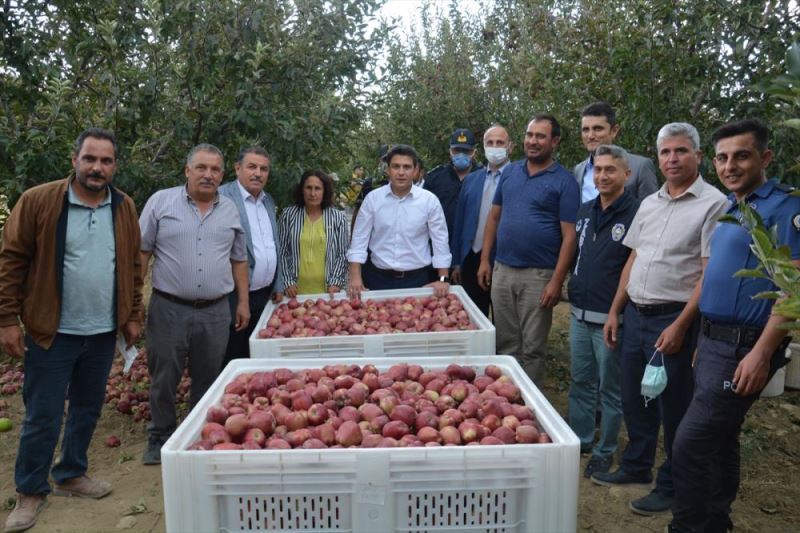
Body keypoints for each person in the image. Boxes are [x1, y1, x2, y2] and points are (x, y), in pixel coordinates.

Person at [0, 128, 143, 532]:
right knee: (43, 415)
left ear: (115, 165)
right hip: (52, 330)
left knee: (86, 408)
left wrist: (133, 313)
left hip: (101, 331)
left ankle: (71, 473)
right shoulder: (40, 201)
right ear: (74, 160)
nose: (98, 168)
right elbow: (11, 260)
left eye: (106, 161)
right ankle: (29, 491)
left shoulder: (123, 206)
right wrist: (6, 318)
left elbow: (133, 265)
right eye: (90, 159)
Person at [668, 119, 798, 533]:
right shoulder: (732, 205)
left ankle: (688, 526)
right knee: (720, 440)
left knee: (688, 446)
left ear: (765, 157)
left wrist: (761, 352)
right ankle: (715, 520)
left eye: (741, 156)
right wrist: (703, 338)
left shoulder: (786, 207)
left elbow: (793, 289)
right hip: (714, 343)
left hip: (745, 347)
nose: (729, 166)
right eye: (723, 158)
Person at [593, 123, 728, 517]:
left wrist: (682, 325)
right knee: (636, 399)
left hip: (673, 319)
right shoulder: (649, 202)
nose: (672, 159)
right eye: (666, 152)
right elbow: (633, 258)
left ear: (698, 156)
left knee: (674, 405)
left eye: (681, 151)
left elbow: (709, 273)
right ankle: (636, 466)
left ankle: (671, 483)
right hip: (636, 314)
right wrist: (617, 310)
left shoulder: (713, 204)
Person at [139, 143, 249, 465]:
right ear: (187, 170)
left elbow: (239, 259)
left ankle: (197, 433)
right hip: (169, 307)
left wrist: (242, 301)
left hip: (216, 310)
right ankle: (160, 435)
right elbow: (142, 252)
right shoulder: (161, 202)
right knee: (164, 376)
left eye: (215, 170)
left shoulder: (230, 210)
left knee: (208, 376)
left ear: (222, 175)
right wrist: (132, 301)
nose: (208, 175)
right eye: (201, 168)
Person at [477, 114, 580, 384]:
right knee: (505, 342)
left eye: (540, 136)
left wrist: (557, 281)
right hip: (503, 270)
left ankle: (528, 407)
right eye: (529, 135)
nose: (532, 141)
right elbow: (494, 217)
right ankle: (504, 400)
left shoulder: (564, 182)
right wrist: (485, 260)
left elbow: (570, 236)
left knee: (532, 348)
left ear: (554, 141)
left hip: (539, 275)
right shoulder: (510, 172)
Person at [568, 144, 639, 479]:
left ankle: (605, 450)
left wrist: (615, 311)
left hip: (611, 317)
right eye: (597, 169)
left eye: (610, 169)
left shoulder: (637, 213)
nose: (602, 175)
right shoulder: (585, 209)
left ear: (627, 173)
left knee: (610, 389)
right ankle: (580, 439)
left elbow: (632, 267)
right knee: (581, 380)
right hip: (579, 313)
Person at [347, 144, 451, 299]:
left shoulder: (429, 201)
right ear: (387, 170)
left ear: (415, 171)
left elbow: (440, 241)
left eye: (407, 167)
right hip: (377, 279)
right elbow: (359, 239)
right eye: (396, 166)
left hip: (417, 280)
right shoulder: (373, 199)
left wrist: (443, 279)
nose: (401, 172)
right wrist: (355, 276)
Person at [219, 146, 284, 366]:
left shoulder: (268, 201)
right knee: (230, 357)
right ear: (238, 168)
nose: (258, 173)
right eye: (252, 167)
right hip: (233, 296)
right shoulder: (222, 197)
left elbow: (272, 244)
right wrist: (240, 299)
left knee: (254, 357)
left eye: (264, 169)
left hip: (263, 295)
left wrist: (277, 283)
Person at [451, 124, 513, 315]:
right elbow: (460, 222)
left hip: (504, 257)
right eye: (490, 142)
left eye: (500, 142)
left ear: (510, 147)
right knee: (474, 315)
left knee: (504, 318)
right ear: (483, 147)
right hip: (472, 256)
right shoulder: (472, 179)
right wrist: (457, 261)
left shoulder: (518, 176)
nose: (495, 147)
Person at [278, 170, 349, 297]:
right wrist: (287, 281)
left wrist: (336, 282)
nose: (313, 193)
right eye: (308, 188)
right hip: (294, 291)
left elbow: (342, 254)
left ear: (324, 191)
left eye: (318, 188)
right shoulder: (288, 215)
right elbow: (282, 251)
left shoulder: (337, 218)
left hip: (328, 290)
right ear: (302, 190)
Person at [574, 101, 659, 202]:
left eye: (597, 129)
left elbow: (652, 212)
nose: (590, 136)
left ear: (614, 131)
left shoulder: (640, 166)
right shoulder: (579, 170)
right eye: (585, 130)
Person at [424, 128, 482, 243]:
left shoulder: (484, 177)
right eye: (457, 150)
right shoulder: (435, 178)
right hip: (440, 244)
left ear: (474, 152)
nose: (461, 155)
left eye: (466, 151)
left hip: (472, 248)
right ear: (450, 151)